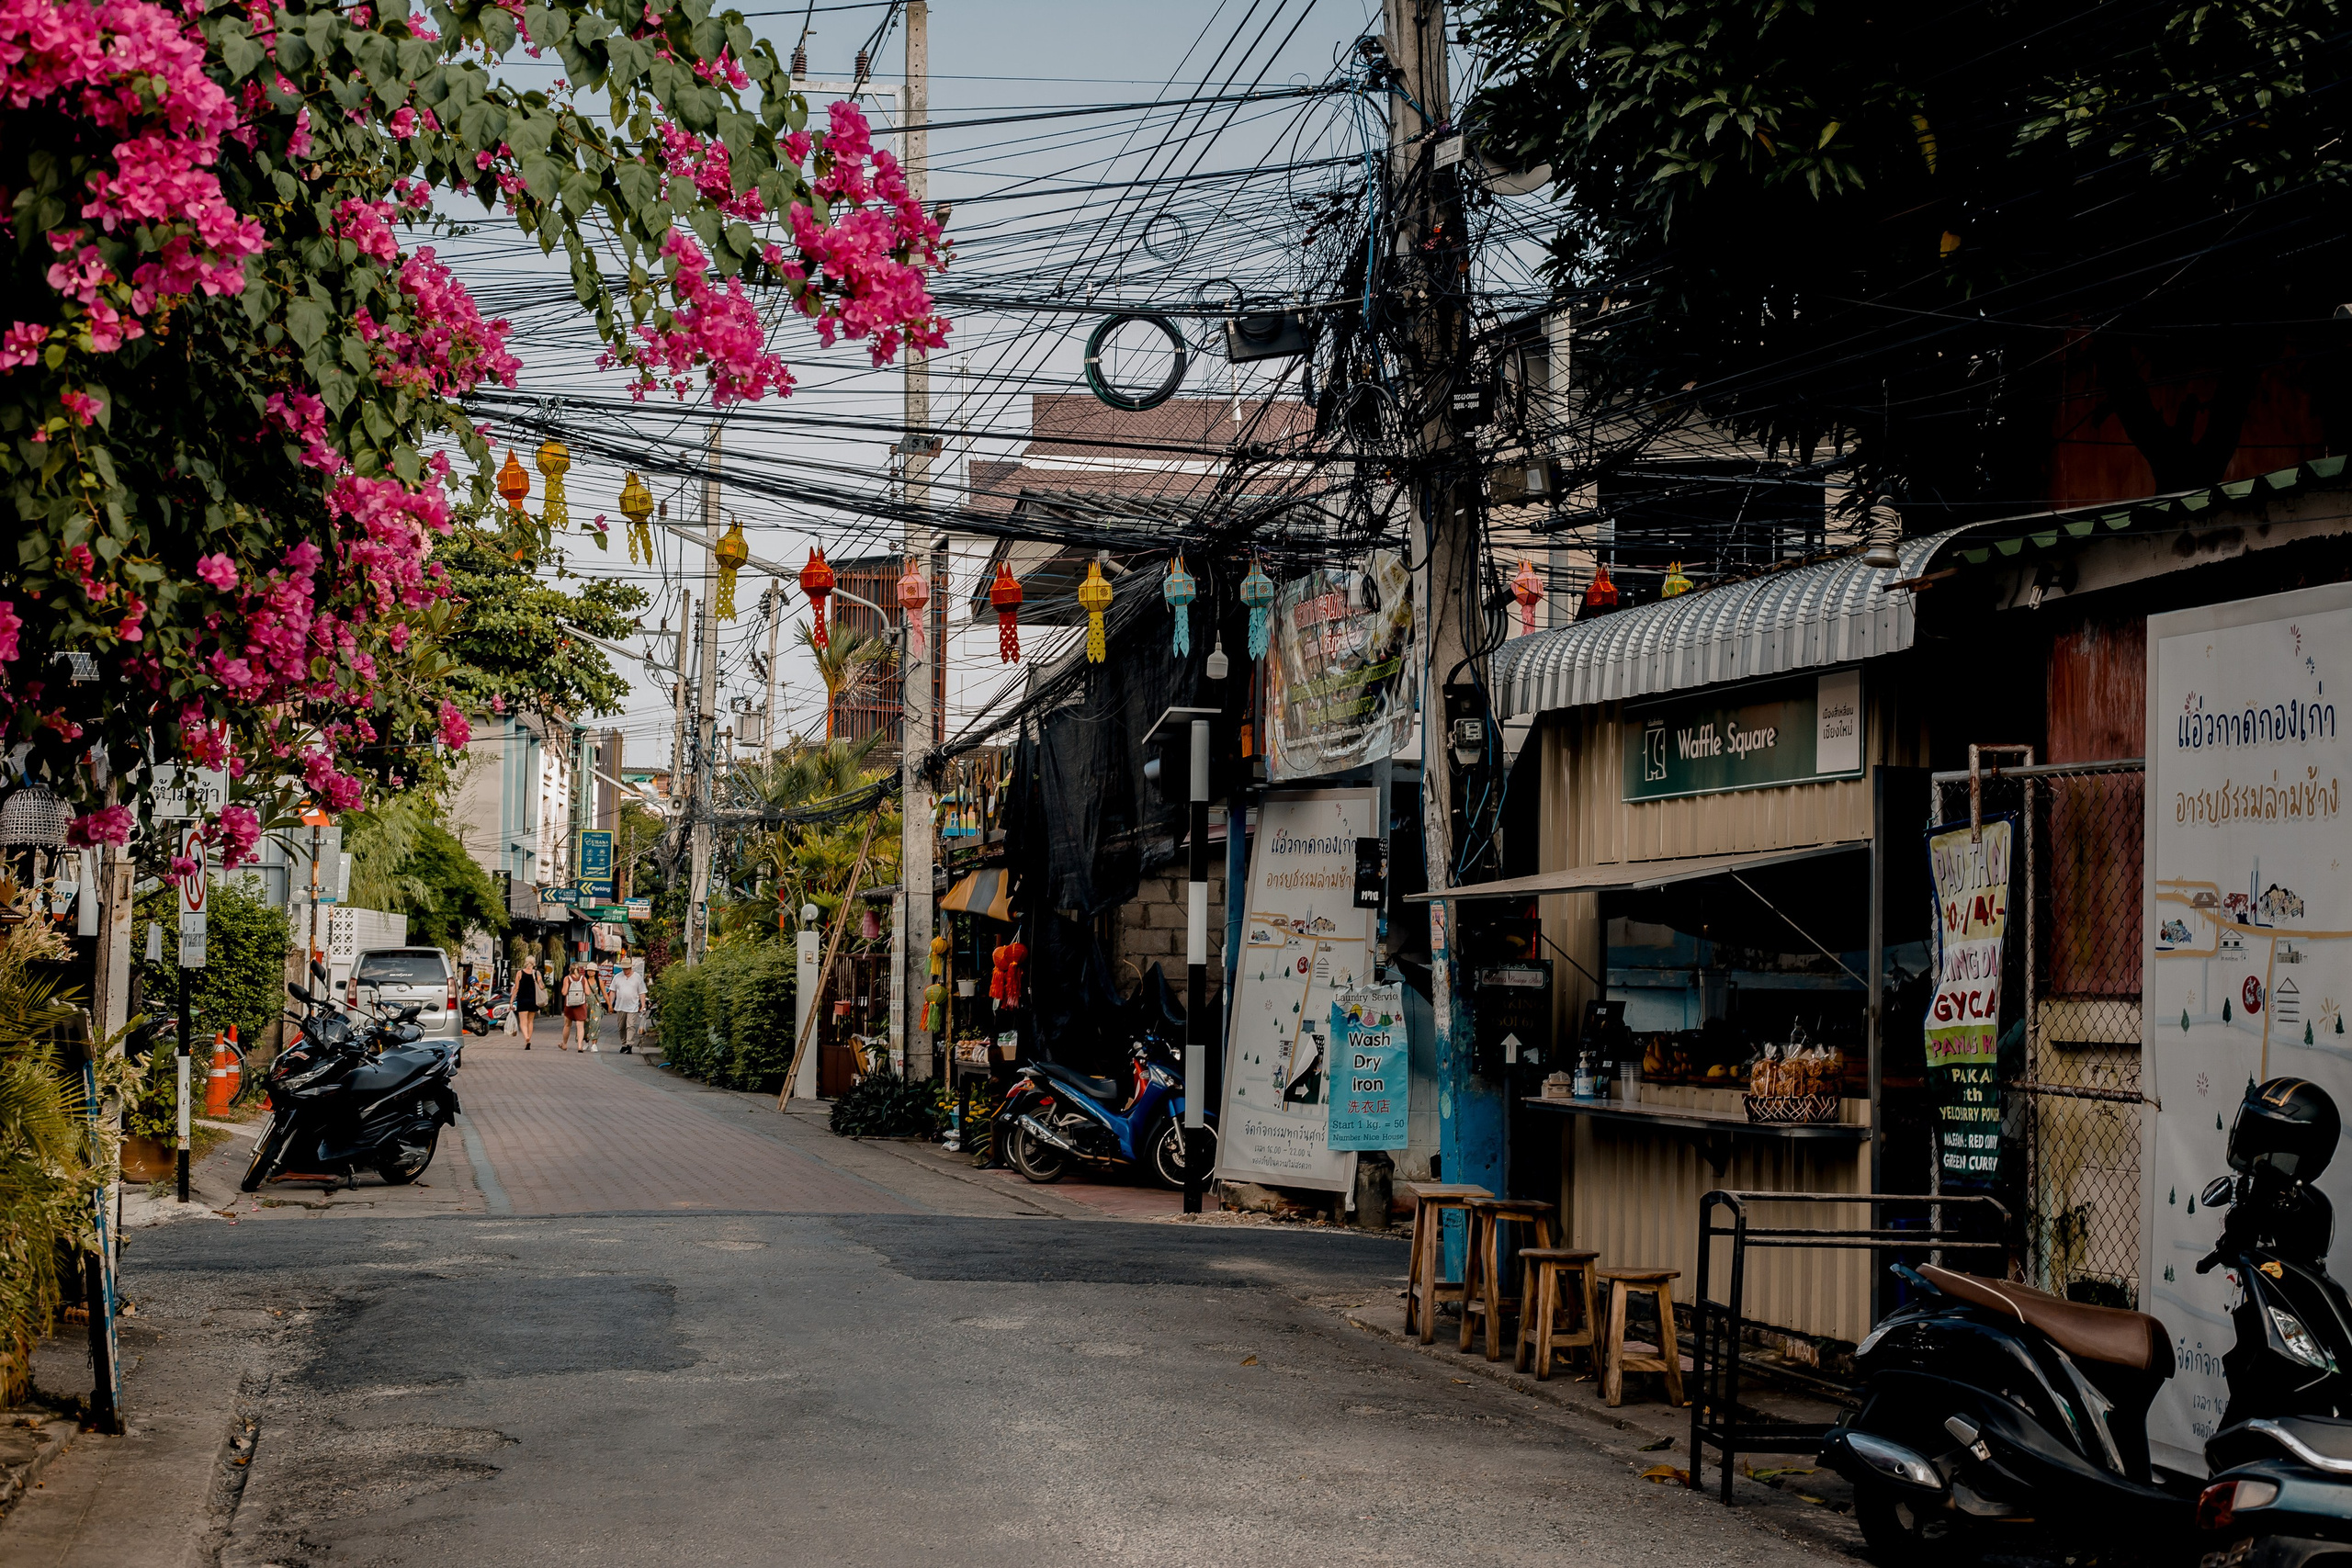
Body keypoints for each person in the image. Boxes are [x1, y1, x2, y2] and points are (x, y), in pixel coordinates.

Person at [610, 956, 646, 1054]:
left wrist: (643, 1005)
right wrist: (610, 1004)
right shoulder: (617, 977)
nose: (625, 970)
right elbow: (612, 991)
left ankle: (629, 1044)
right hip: (620, 1006)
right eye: (624, 968)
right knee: (621, 1026)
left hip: (632, 1006)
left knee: (630, 1026)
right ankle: (624, 1043)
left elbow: (642, 992)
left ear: (631, 967)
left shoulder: (637, 977)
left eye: (627, 968)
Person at [511, 956, 542, 1050]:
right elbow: (541, 986)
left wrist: (511, 1000)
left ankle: (526, 1038)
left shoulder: (520, 973)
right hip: (533, 1000)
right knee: (530, 1021)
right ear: (534, 963)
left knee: (523, 1022)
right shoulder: (537, 973)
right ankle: (528, 1039)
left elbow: (516, 988)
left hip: (522, 1000)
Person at [559, 962, 591, 1050]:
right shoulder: (583, 979)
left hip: (569, 1005)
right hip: (581, 1005)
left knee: (567, 1025)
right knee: (580, 1026)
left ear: (570, 969)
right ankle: (580, 1046)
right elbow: (588, 992)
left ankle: (564, 1044)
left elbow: (564, 992)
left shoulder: (567, 978)